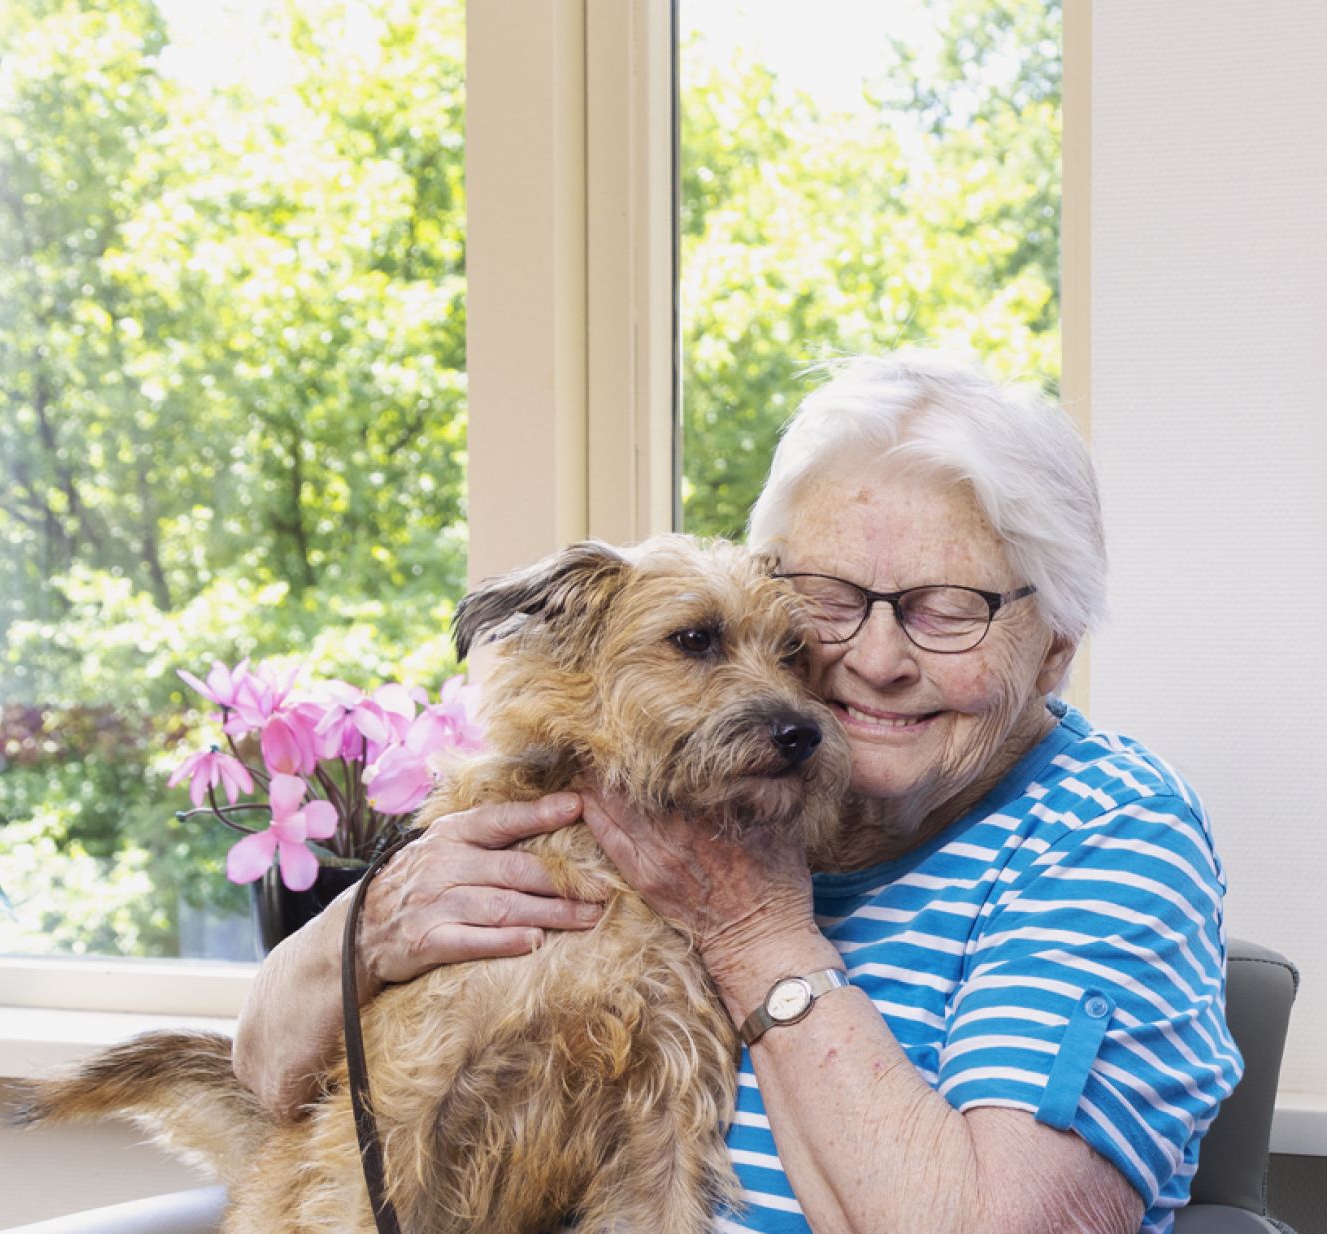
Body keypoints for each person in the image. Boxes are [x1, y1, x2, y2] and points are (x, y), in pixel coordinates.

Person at [233, 351, 1241, 1234]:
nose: (876, 660)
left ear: (1056, 644)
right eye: (831, 603)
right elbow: (273, 1079)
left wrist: (759, 935)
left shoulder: (1106, 836)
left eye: (946, 611)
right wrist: (363, 932)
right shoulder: (677, 796)